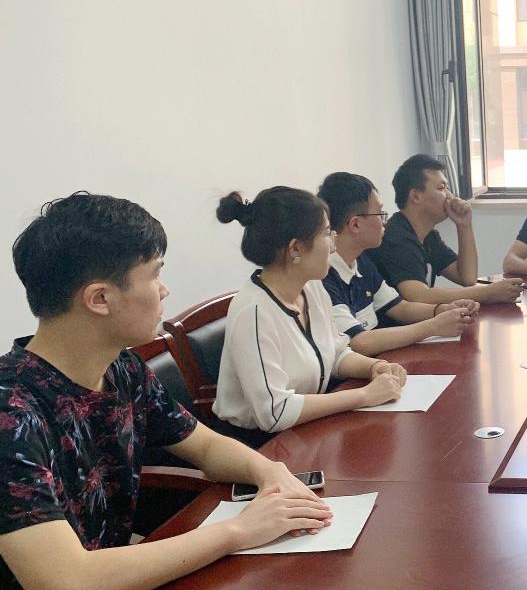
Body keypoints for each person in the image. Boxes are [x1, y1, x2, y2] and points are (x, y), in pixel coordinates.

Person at [0, 193, 332, 590]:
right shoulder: (11, 410)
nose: (165, 290)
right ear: (100, 299)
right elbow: (66, 579)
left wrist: (269, 471)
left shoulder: (123, 369)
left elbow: (205, 447)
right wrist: (239, 531)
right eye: (155, 274)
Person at [213, 187, 407, 436]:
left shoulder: (311, 287)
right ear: (295, 249)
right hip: (261, 443)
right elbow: (275, 413)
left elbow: (335, 353)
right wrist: (365, 395)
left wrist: (374, 367)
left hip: (309, 425)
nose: (333, 247)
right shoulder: (254, 312)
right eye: (327, 234)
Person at [317, 172, 480, 356]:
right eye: (380, 214)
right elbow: (358, 342)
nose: (384, 222)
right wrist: (434, 326)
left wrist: (442, 310)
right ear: (355, 225)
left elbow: (398, 307)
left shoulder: (360, 261)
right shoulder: (323, 275)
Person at [367, 154, 524, 304]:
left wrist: (464, 225)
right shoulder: (397, 238)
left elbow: (467, 278)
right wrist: (487, 293)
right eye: (442, 188)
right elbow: (418, 296)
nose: (450, 196)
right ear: (415, 196)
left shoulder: (429, 236)